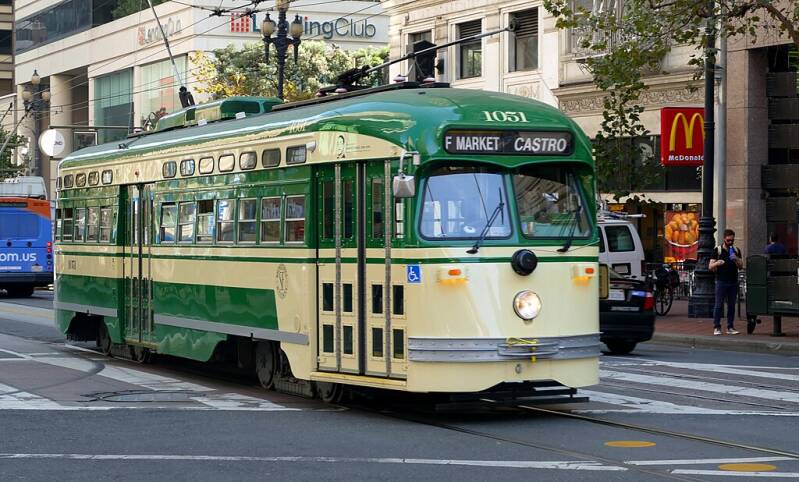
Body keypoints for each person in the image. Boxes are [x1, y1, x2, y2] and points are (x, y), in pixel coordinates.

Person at [709, 229, 743, 335]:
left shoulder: (736, 250)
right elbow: (710, 266)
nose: (730, 243)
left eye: (732, 240)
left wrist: (736, 259)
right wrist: (717, 263)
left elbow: (741, 266)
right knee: (719, 305)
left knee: (732, 305)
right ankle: (717, 327)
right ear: (724, 239)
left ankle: (730, 327)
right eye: (728, 240)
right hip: (721, 281)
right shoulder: (717, 250)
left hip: (733, 281)